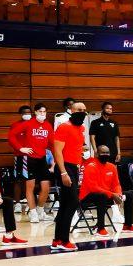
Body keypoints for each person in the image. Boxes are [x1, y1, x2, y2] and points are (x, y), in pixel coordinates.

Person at [51, 102, 88, 252]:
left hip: (74, 167)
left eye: (84, 110)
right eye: (79, 110)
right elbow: (57, 151)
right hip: (64, 167)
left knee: (66, 204)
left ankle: (57, 240)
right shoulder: (64, 126)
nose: (82, 112)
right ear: (71, 111)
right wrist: (63, 172)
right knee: (73, 202)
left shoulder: (81, 128)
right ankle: (64, 240)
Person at [79, 146, 133, 237]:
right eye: (103, 153)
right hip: (87, 197)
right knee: (101, 196)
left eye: (107, 153)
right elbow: (93, 188)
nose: (105, 155)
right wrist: (112, 195)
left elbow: (116, 184)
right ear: (97, 154)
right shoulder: (91, 167)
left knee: (129, 195)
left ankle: (127, 225)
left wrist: (118, 194)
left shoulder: (112, 166)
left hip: (107, 195)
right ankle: (100, 229)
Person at [14, 103, 54, 223]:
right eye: (40, 111)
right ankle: (33, 213)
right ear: (35, 112)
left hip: (42, 159)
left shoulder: (47, 125)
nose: (43, 114)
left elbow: (52, 144)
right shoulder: (28, 124)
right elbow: (12, 136)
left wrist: (54, 161)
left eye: (44, 112)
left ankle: (40, 210)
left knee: (46, 187)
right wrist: (21, 148)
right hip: (29, 158)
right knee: (29, 187)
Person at [7, 104, 33, 203]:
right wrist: (20, 148)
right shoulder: (15, 125)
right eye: (24, 113)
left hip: (34, 156)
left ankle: (30, 202)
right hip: (20, 156)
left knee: (31, 180)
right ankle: (17, 202)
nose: (27, 114)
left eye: (28, 113)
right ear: (21, 114)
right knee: (18, 180)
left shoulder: (35, 124)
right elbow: (11, 140)